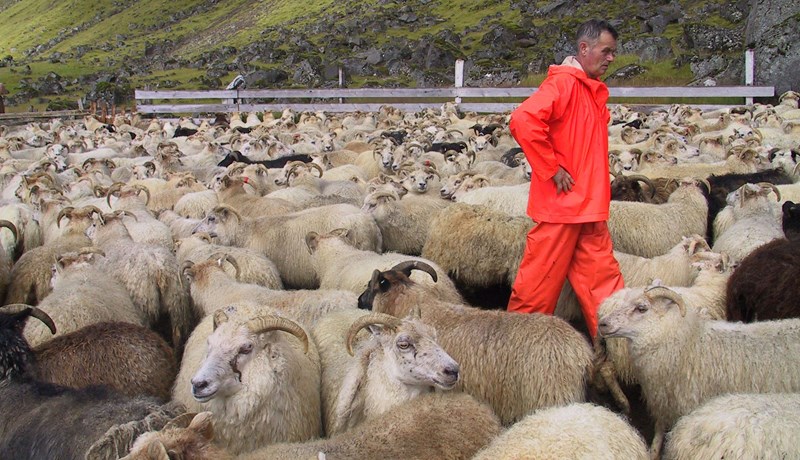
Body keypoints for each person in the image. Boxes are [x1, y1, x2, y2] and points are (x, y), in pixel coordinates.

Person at [506, 19, 624, 339]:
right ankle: (514, 350)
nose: (611, 58)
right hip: (563, 207)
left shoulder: (588, 88)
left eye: (614, 52)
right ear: (584, 49)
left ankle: (618, 355)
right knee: (537, 286)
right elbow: (523, 119)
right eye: (606, 51)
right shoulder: (563, 84)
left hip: (588, 207)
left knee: (605, 288)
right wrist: (551, 168)